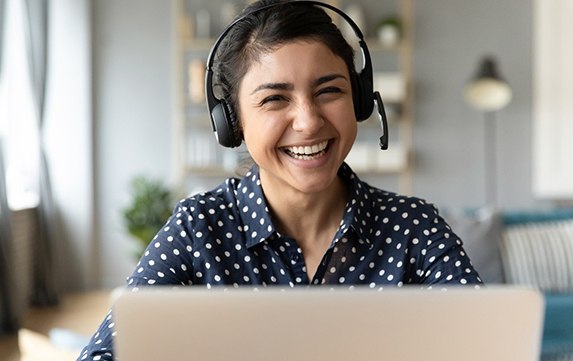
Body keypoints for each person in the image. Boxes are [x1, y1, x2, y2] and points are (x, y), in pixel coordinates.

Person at [78, 1, 482, 360]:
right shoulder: (198, 229)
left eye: (329, 91)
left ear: (358, 99)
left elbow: (483, 342)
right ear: (232, 123)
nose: (308, 122)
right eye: (275, 98)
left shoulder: (414, 227)